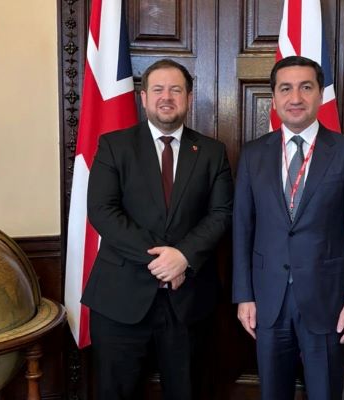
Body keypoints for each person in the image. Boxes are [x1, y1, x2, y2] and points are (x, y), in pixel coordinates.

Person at [232, 55, 344, 400]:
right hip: (267, 301)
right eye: (286, 89)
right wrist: (244, 295)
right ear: (274, 98)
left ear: (320, 95)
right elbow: (242, 229)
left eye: (305, 87)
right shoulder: (253, 155)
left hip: (327, 300)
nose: (295, 98)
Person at [82, 59, 233, 399]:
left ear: (189, 98)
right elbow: (102, 211)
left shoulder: (212, 152)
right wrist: (164, 262)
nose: (167, 97)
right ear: (144, 98)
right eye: (158, 89)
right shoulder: (114, 145)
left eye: (176, 90)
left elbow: (221, 213)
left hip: (189, 301)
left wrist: (184, 257)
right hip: (120, 298)